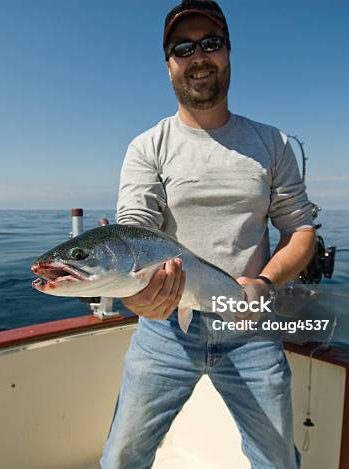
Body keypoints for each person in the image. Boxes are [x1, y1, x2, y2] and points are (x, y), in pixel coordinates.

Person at [101, 1, 315, 468]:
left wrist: (264, 284)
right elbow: (135, 230)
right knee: (122, 456)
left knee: (277, 460)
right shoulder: (147, 147)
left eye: (210, 43)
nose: (198, 56)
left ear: (228, 52)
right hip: (163, 331)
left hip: (251, 327)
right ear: (169, 64)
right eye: (183, 48)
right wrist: (137, 294)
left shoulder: (272, 144)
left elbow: (300, 229)